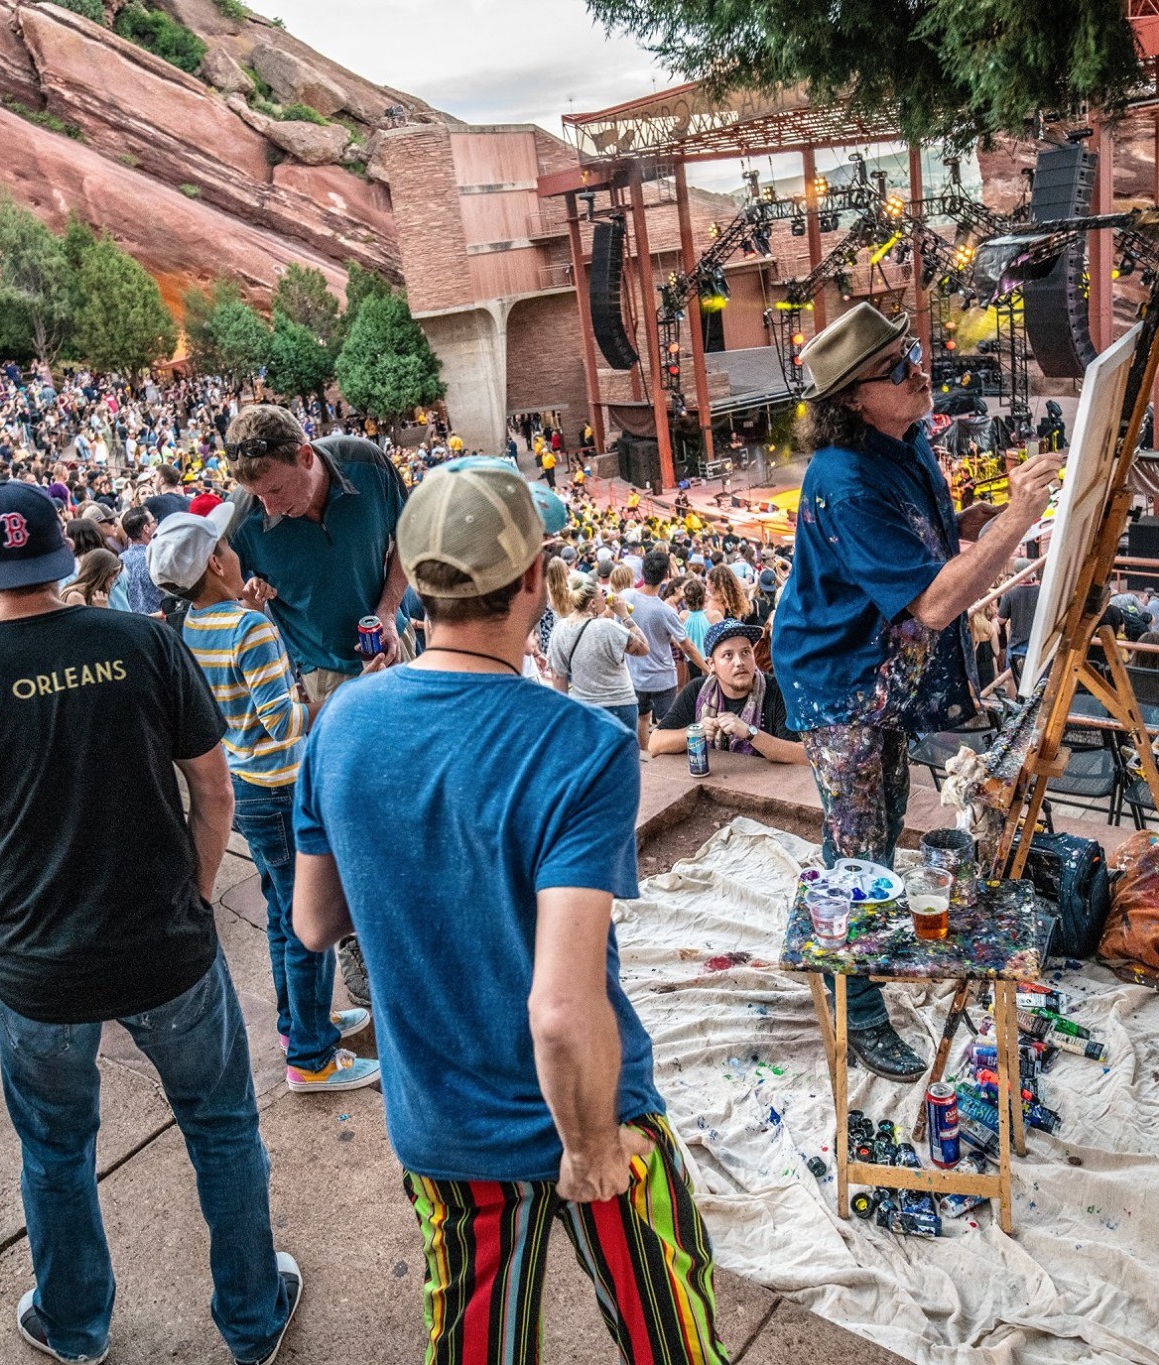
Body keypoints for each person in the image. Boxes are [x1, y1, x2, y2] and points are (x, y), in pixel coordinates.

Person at [290, 462, 728, 1365]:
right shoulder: (582, 746)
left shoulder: (342, 722)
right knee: (674, 1344)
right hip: (593, 1119)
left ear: (415, 579)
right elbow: (562, 1010)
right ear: (533, 574)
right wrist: (592, 1146)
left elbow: (313, 923)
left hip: (444, 1132)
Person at [0, 482, 300, 1365]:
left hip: (40, 968)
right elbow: (214, 789)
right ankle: (251, 1317)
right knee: (222, 1128)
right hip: (168, 947)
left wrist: (1, 923)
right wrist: (197, 892)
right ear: (57, 556)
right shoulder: (142, 642)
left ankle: (75, 1326)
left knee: (55, 1153)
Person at [772, 302, 1063, 1081]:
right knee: (860, 844)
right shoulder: (844, 480)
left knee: (881, 813)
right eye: (897, 368)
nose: (918, 371)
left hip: (882, 673)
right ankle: (857, 1004)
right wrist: (1015, 520)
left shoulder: (905, 435)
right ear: (854, 399)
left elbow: (921, 533)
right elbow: (933, 603)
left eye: (915, 354)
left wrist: (972, 521)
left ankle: (858, 955)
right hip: (840, 679)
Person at [150, 505, 377, 1095]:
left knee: (281, 911)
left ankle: (297, 1022)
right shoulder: (250, 630)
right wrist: (358, 689)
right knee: (309, 923)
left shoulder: (191, 624)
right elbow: (284, 722)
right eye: (227, 547)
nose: (236, 554)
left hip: (247, 787)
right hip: (281, 788)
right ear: (216, 562)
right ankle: (311, 1057)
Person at [222, 406, 409, 708]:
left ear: (306, 456)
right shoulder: (240, 520)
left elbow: (410, 534)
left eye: (276, 490)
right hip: (326, 673)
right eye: (257, 495)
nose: (269, 508)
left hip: (394, 638)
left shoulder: (366, 462)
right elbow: (220, 606)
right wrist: (251, 601)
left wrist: (388, 611)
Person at [647, 619, 805, 764]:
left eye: (745, 652)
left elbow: (802, 755)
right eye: (728, 655)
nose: (739, 662)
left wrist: (750, 733)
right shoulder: (698, 690)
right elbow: (654, 744)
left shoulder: (776, 690)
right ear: (712, 664)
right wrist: (695, 732)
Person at [545, 581, 648, 735]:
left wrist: (565, 714)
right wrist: (624, 615)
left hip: (585, 708)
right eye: (603, 594)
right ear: (593, 603)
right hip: (619, 706)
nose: (607, 597)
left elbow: (559, 677)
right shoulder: (608, 627)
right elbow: (644, 648)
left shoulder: (560, 628)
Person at [623, 550, 687, 747]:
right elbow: (686, 645)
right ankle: (660, 756)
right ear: (666, 575)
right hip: (662, 678)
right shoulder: (666, 611)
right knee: (666, 725)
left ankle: (645, 753)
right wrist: (706, 667)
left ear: (642, 571)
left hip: (635, 676)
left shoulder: (625, 597)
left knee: (642, 718)